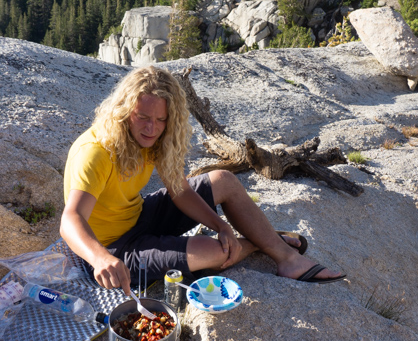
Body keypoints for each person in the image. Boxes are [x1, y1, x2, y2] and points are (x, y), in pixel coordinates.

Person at [60, 66, 345, 295]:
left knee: (224, 180)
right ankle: (263, 241)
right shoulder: (97, 152)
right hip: (113, 249)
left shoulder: (155, 138)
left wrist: (220, 225)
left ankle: (287, 259)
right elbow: (70, 220)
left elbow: (180, 190)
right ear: (124, 111)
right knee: (215, 252)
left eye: (161, 120)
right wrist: (100, 259)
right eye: (142, 116)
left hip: (140, 216)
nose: (151, 128)